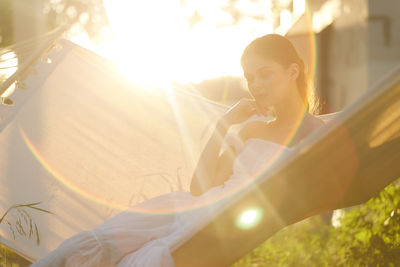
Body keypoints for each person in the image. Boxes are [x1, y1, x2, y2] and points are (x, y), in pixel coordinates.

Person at [32, 34, 325, 267]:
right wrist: (223, 125)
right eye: (250, 77)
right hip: (186, 209)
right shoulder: (253, 129)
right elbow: (199, 188)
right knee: (82, 249)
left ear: (293, 71)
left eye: (265, 74)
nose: (256, 85)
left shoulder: (322, 136)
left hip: (219, 227)